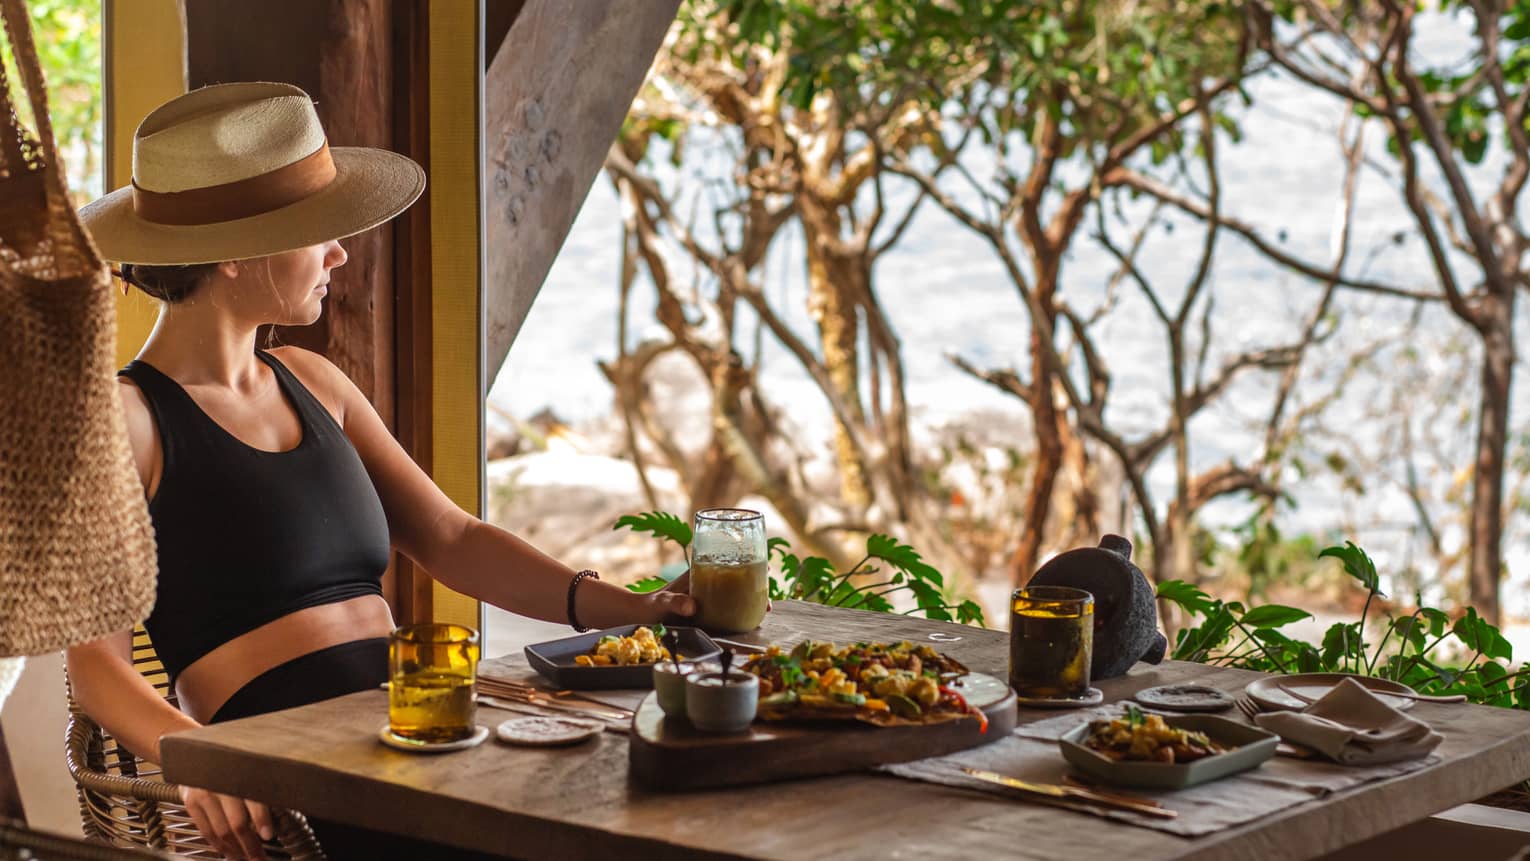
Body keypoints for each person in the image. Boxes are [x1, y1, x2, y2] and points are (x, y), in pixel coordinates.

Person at [66, 82, 695, 861]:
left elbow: (451, 535)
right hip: (305, 783)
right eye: (316, 232)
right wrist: (197, 757)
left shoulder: (316, 382)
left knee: (653, 799)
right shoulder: (124, 421)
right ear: (234, 252)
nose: (340, 251)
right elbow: (95, 664)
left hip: (418, 738)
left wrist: (624, 608)